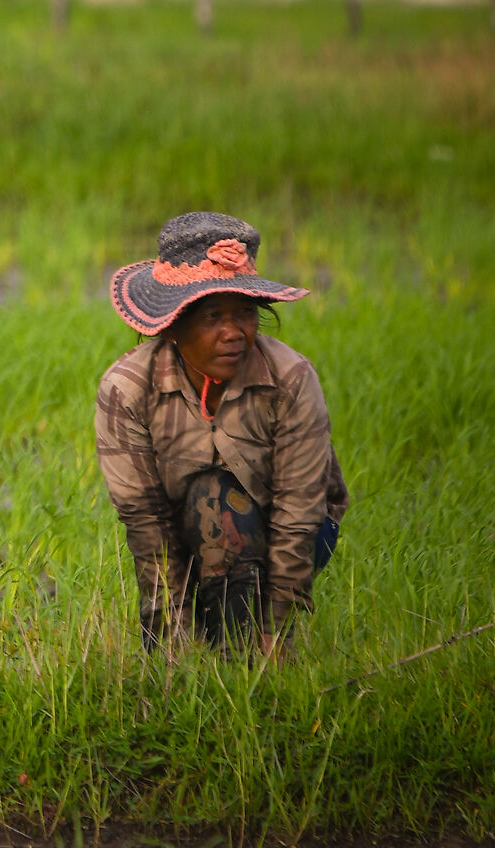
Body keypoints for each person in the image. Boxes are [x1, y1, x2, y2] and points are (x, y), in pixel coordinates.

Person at [95, 211, 347, 657]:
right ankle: (204, 649)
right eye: (212, 316)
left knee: (218, 498)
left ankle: (243, 651)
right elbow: (146, 522)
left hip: (292, 532)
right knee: (207, 511)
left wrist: (275, 625)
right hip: (185, 538)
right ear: (173, 324)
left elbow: (299, 507)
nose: (233, 334)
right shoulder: (127, 389)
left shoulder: (290, 378)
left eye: (245, 314)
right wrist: (169, 636)